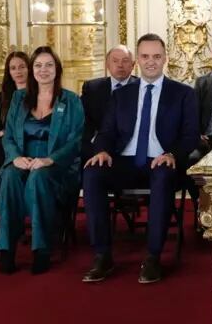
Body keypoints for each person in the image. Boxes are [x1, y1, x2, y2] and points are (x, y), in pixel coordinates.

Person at [81, 33, 199, 284]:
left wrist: (172, 154)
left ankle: (153, 257)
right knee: (92, 173)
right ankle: (102, 255)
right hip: (124, 160)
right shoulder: (122, 94)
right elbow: (106, 132)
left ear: (165, 58)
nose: (151, 61)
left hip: (161, 160)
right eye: (145, 56)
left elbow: (190, 136)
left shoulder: (183, 93)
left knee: (163, 174)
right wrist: (102, 150)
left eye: (156, 56)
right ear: (138, 60)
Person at [0, 46, 84, 274]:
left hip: (57, 166)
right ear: (32, 70)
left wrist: (49, 160)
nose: (43, 70)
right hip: (22, 161)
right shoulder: (19, 98)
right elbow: (9, 136)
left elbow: (76, 141)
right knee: (9, 176)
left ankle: (41, 249)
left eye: (49, 65)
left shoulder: (71, 100)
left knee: (38, 177)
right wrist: (15, 157)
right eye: (38, 65)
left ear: (57, 69)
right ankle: (6, 249)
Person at [80, 45, 137, 161]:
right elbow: (84, 122)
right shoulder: (92, 88)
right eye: (115, 61)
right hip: (97, 148)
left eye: (125, 61)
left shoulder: (142, 88)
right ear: (107, 65)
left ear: (133, 65)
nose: (120, 65)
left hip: (131, 148)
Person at [0, 51, 29, 171]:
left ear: (29, 69)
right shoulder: (3, 95)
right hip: (4, 142)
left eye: (22, 67)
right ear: (9, 72)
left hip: (27, 140)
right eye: (13, 68)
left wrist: (8, 132)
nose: (18, 71)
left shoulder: (37, 94)